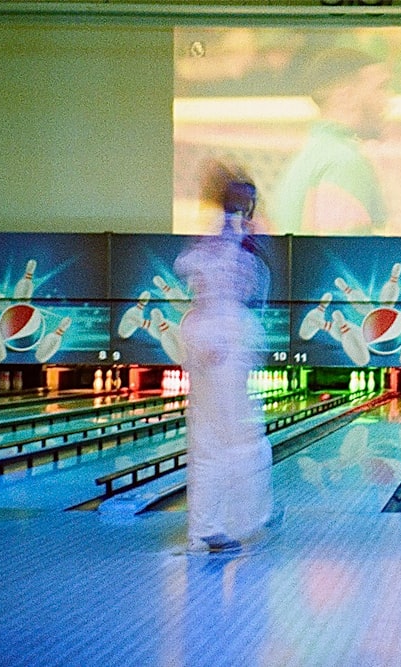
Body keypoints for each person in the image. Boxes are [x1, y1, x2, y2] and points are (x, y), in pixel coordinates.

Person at [175, 169, 275, 554]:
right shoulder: (233, 234)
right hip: (222, 336)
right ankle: (247, 517)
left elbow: (189, 267)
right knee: (241, 439)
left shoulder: (212, 233)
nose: (249, 203)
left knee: (209, 443)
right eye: (246, 196)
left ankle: (206, 529)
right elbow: (227, 278)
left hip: (203, 332)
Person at [270, 48, 390, 235]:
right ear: (346, 96)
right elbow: (346, 258)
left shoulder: (307, 159)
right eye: (380, 88)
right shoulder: (344, 163)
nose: (387, 101)